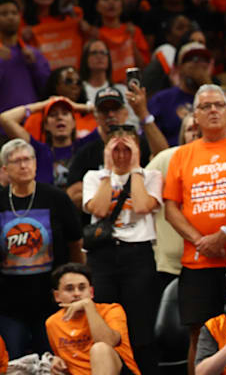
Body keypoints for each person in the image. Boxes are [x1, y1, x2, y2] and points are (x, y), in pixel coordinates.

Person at [163, 84, 226, 371]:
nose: (212, 110)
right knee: (200, 332)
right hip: (199, 262)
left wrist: (223, 235)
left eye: (218, 105)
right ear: (194, 116)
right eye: (205, 106)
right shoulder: (181, 155)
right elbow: (171, 209)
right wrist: (201, 241)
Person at [0, 138, 83, 358]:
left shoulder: (56, 198)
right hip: (7, 303)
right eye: (17, 161)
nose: (23, 165)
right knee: (13, 365)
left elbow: (75, 242)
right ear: (5, 169)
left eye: (28, 159)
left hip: (51, 300)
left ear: (36, 164)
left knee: (53, 364)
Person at [81, 127, 162, 375]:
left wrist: (136, 166)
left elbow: (141, 204)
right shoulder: (94, 177)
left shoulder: (151, 176)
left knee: (140, 326)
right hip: (103, 257)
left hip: (138, 256)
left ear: (137, 148)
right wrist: (108, 169)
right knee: (106, 322)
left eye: (128, 148)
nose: (122, 154)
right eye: (116, 148)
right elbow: (100, 208)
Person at [0, 0, 50, 148]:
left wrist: (34, 65)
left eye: (14, 13)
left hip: (28, 128)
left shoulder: (32, 54)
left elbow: (48, 87)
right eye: (4, 14)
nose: (11, 17)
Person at [66, 86, 166, 207]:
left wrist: (143, 114)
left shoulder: (142, 145)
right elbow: (72, 195)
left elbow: (164, 157)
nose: (111, 114)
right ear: (96, 116)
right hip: (102, 223)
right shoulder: (85, 152)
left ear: (126, 113)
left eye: (115, 109)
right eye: (104, 110)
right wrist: (136, 189)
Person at [46, 263, 141, 375]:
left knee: (100, 348)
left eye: (82, 288)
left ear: (91, 292)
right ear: (57, 296)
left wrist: (89, 307)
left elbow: (108, 342)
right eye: (69, 289)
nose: (77, 294)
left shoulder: (112, 310)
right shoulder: (52, 323)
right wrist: (57, 361)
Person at [148, 42, 213, 146]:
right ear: (179, 67)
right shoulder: (162, 100)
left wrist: (207, 85)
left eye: (204, 60)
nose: (198, 65)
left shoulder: (219, 98)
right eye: (192, 59)